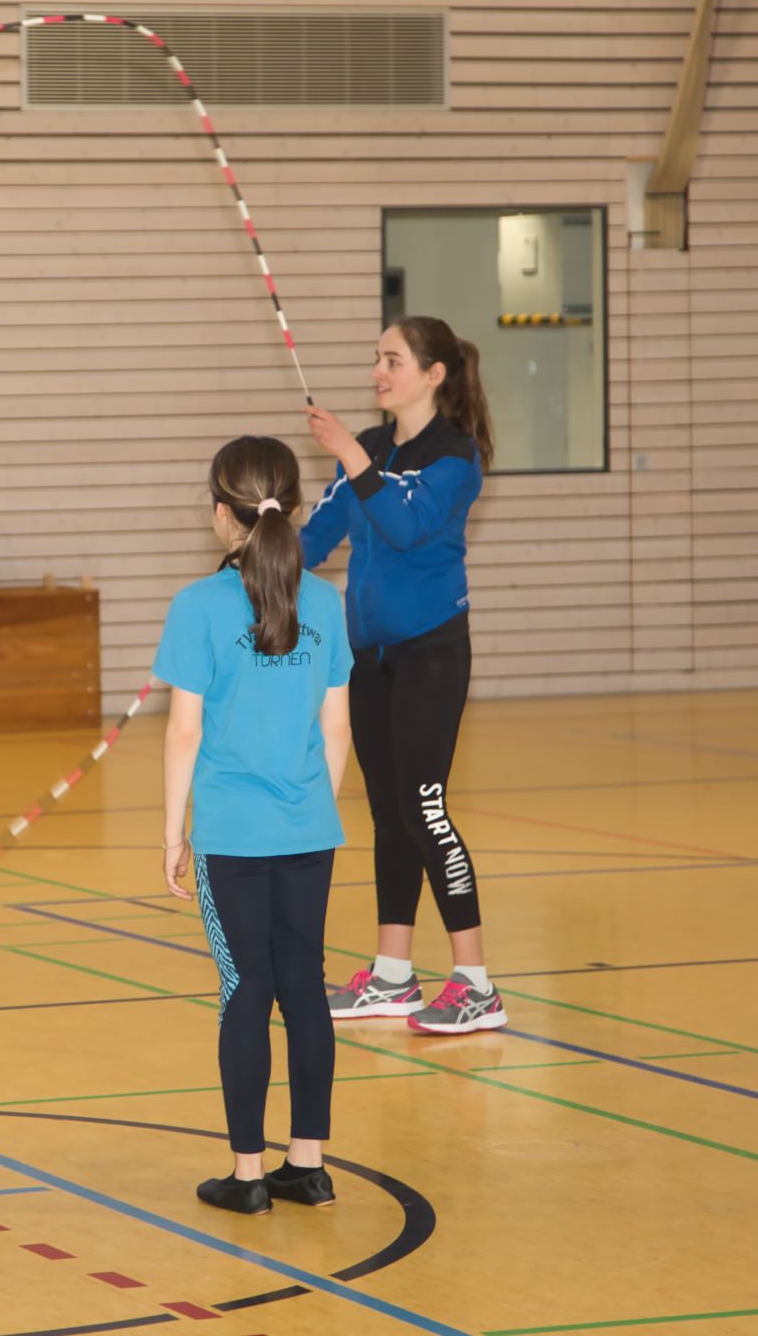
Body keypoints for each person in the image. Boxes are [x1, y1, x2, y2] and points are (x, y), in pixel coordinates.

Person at [158, 434, 353, 1216]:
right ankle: (306, 1165)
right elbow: (336, 728)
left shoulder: (197, 606)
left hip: (232, 835)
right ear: (295, 508)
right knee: (302, 985)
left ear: (220, 513)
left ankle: (246, 1176)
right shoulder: (326, 602)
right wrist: (309, 807)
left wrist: (171, 832)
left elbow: (183, 733)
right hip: (308, 829)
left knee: (244, 990)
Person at [302, 316, 506, 1034]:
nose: (377, 373)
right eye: (376, 359)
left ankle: (475, 983)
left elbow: (404, 526)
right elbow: (317, 537)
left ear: (433, 374)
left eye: (392, 361)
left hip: (430, 656)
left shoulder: (455, 458)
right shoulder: (371, 447)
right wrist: (252, 561)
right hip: (370, 659)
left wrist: (351, 457)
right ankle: (392, 974)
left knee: (426, 810)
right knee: (388, 817)